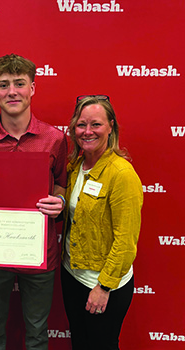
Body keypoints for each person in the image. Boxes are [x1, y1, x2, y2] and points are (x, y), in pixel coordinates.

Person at [0, 54, 68, 349]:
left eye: (19, 83)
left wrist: (59, 201)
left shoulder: (55, 139)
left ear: (32, 88)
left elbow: (61, 183)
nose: (12, 91)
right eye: (4, 85)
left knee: (37, 335)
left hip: (40, 251)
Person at [60, 95, 143, 350]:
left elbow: (126, 241)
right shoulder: (75, 166)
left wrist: (103, 287)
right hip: (72, 273)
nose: (87, 132)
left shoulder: (121, 174)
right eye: (81, 125)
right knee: (80, 343)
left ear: (111, 127)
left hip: (103, 283)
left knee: (101, 345)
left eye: (95, 124)